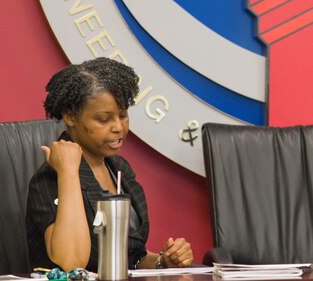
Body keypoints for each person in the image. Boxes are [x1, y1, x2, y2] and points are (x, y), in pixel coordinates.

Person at [26, 57, 194, 271]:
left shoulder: (119, 170)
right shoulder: (51, 177)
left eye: (123, 115)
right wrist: (68, 172)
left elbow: (129, 258)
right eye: (104, 119)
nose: (118, 127)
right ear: (70, 117)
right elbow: (71, 263)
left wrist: (163, 261)